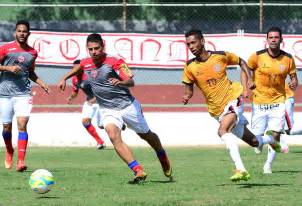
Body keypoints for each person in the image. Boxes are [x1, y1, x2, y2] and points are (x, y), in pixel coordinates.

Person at [58, 33, 172, 183]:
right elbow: (80, 67)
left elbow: (131, 82)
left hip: (127, 105)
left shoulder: (115, 61)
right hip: (107, 109)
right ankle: (138, 170)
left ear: (103, 46)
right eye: (90, 49)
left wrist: (121, 83)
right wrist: (64, 78)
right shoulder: (86, 62)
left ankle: (161, 154)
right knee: (113, 135)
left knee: (145, 135)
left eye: (97, 48)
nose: (94, 52)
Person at [182, 29, 263, 182]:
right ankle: (270, 140)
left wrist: (250, 79)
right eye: (188, 44)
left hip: (233, 98)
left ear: (202, 41)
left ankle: (241, 169)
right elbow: (188, 88)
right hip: (217, 110)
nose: (191, 47)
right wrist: (187, 96)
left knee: (222, 131)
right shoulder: (189, 67)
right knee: (253, 142)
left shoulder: (220, 56)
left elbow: (241, 61)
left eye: (193, 42)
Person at [0, 20, 50, 172]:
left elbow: (31, 72)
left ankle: (21, 161)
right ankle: (9, 150)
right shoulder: (5, 48)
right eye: (19, 31)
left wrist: (41, 83)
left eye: (24, 31)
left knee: (22, 124)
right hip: (4, 93)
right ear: (15, 32)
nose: (22, 33)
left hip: (23, 93)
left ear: (29, 33)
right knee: (6, 128)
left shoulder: (32, 53)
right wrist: (8, 68)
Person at [247, 26, 298, 173]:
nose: (274, 40)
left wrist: (294, 82)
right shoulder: (257, 56)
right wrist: (248, 83)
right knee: (255, 140)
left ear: (281, 40)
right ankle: (260, 142)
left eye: (276, 37)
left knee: (276, 135)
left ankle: (268, 165)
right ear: (267, 40)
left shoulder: (288, 59)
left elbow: (294, 79)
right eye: (271, 37)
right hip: (259, 102)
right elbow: (247, 69)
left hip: (278, 102)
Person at [67, 59, 105, 150]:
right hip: (89, 102)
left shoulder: (91, 75)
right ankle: (100, 142)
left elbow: (102, 89)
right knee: (85, 122)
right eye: (73, 68)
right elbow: (75, 91)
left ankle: (120, 122)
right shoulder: (74, 79)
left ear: (81, 68)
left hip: (100, 101)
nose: (74, 70)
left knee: (101, 125)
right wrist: (71, 97)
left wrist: (96, 98)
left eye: (77, 68)